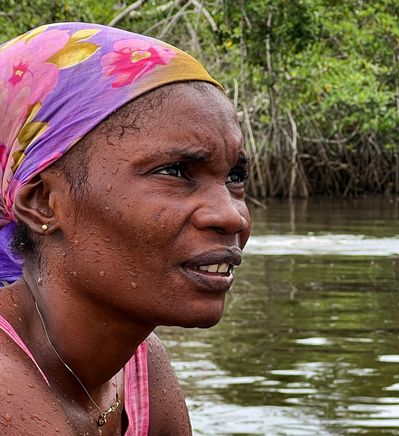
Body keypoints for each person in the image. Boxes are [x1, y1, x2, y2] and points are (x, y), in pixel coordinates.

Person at [0, 23, 251, 435]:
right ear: (43, 201)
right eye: (175, 171)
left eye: (235, 176)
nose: (232, 217)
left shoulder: (138, 367)